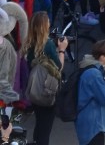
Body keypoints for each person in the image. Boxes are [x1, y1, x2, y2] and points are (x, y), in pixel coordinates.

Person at [23, 11, 68, 145]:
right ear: (44, 26)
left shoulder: (29, 42)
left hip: (34, 87)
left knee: (39, 121)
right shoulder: (47, 44)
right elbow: (58, 67)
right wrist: (61, 50)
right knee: (46, 126)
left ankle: (36, 141)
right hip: (47, 89)